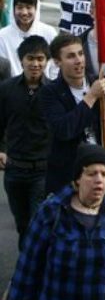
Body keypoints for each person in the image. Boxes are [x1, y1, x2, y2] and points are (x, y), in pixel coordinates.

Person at [2, 143, 105, 300]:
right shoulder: (51, 213)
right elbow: (27, 272)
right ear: (78, 178)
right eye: (91, 173)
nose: (99, 180)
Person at [38, 33, 105, 200]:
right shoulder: (49, 92)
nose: (79, 60)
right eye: (71, 56)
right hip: (69, 180)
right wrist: (91, 97)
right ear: (57, 62)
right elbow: (64, 130)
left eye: (81, 53)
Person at [0, 35, 50, 247]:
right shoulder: (6, 89)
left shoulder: (54, 92)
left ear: (47, 61)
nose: (36, 64)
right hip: (14, 170)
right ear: (21, 60)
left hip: (43, 171)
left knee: (35, 225)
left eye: (40, 59)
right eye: (31, 58)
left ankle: (31, 275)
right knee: (22, 225)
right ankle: (26, 269)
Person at [0, 0, 57, 77]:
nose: (24, 12)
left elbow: (55, 66)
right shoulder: (2, 36)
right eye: (20, 7)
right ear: (13, 9)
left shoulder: (49, 32)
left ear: (36, 8)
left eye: (28, 7)